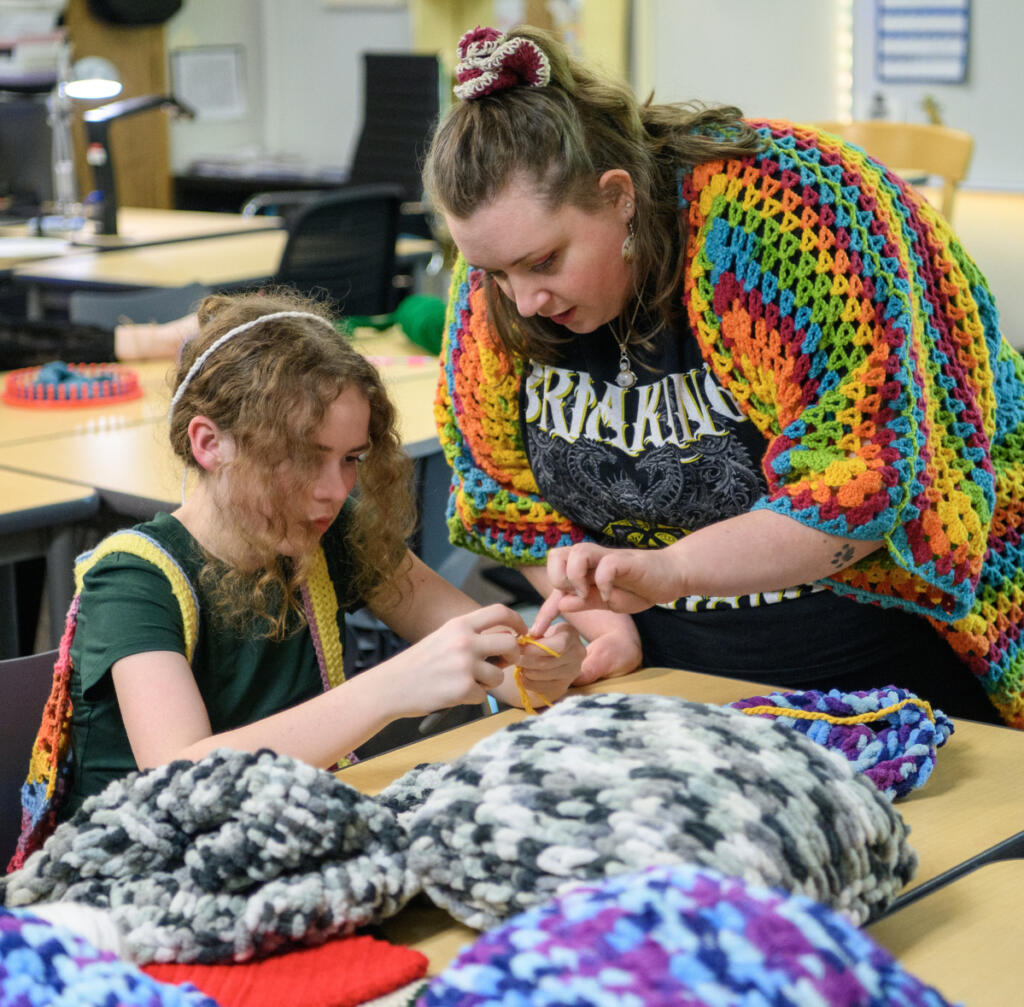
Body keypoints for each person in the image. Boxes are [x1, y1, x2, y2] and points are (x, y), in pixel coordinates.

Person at [423, 24, 1024, 726]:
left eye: (543, 263)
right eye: (495, 273)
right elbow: (501, 495)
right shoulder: (500, 274)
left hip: (896, 679)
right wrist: (605, 620)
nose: (524, 300)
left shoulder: (788, 215)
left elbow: (865, 485)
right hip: (679, 687)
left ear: (618, 196)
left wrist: (673, 571)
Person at [19, 289, 584, 839]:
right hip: (132, 872)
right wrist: (389, 689)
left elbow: (499, 660)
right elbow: (180, 782)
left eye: (351, 459)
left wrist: (539, 666)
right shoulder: (132, 581)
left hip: (271, 838)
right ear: (209, 443)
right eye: (303, 458)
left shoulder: (330, 534)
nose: (334, 490)